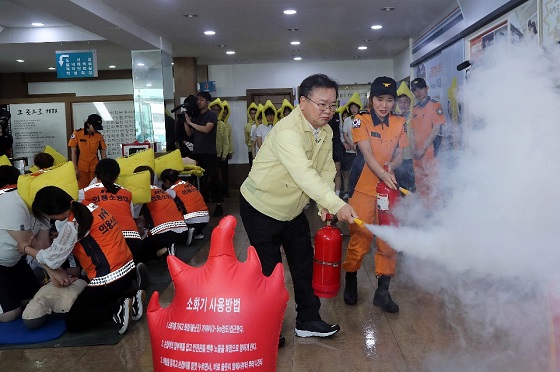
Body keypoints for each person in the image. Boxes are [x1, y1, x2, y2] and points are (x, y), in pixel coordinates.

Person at [240, 74, 358, 342]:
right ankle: (268, 327)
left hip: (292, 210)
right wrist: (337, 204)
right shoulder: (287, 131)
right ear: (303, 102)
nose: (328, 111)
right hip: (261, 207)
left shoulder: (325, 131)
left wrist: (325, 205)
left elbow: (326, 169)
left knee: (304, 264)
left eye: (332, 105)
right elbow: (304, 174)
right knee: (270, 272)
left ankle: (307, 319)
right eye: (322, 104)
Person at [25, 186, 143, 334]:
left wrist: (26, 249)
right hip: (128, 268)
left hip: (109, 279)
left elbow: (52, 260)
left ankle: (117, 308)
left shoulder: (73, 225)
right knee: (94, 299)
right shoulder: (91, 207)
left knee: (74, 321)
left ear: (52, 214)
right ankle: (131, 296)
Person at [342, 76, 408, 313]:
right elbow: (366, 152)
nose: (384, 105)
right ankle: (350, 280)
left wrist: (393, 164)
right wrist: (382, 172)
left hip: (388, 189)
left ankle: (383, 291)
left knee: (388, 240)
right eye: (379, 99)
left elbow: (401, 152)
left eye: (389, 100)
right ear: (371, 99)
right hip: (363, 187)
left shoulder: (400, 122)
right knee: (360, 237)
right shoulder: (360, 120)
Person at [0, 165, 49, 322]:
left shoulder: (39, 202)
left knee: (31, 302)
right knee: (10, 315)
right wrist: (55, 274)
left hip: (15, 261)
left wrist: (53, 272)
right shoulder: (9, 201)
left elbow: (42, 246)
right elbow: (28, 244)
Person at [133, 166, 188, 259]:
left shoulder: (141, 195)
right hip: (182, 231)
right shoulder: (163, 191)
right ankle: (168, 248)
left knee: (137, 254)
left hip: (163, 234)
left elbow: (134, 217)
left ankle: (164, 251)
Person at [184, 92, 223, 217]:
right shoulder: (196, 116)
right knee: (201, 180)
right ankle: (202, 205)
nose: (198, 102)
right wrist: (186, 121)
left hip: (209, 152)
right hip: (197, 152)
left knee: (214, 179)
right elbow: (189, 134)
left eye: (201, 100)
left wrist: (191, 123)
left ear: (207, 101)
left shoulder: (211, 114)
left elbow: (206, 129)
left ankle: (218, 205)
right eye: (198, 100)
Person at [410, 78, 446, 204]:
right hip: (417, 156)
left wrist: (422, 149)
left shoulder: (435, 105)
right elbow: (412, 131)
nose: (418, 92)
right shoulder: (414, 109)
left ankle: (437, 215)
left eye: (420, 88)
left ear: (427, 88)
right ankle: (425, 212)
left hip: (431, 153)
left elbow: (436, 129)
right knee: (421, 186)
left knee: (434, 185)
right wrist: (413, 149)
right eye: (414, 90)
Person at [160, 168, 209, 244]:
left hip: (190, 220)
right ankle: (197, 232)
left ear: (167, 181)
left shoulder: (170, 191)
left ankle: (187, 234)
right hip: (205, 219)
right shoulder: (188, 184)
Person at [68, 113, 108, 189]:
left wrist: (105, 168)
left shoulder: (98, 136)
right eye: (94, 126)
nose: (96, 129)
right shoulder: (77, 134)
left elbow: (103, 152)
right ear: (88, 124)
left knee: (95, 189)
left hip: (95, 168)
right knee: (82, 190)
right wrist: (75, 168)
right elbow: (73, 152)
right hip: (81, 169)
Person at [341, 94, 363, 200]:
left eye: (355, 107)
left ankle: (359, 193)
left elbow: (362, 134)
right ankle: (348, 192)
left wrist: (358, 145)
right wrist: (352, 145)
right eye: (351, 107)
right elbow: (345, 134)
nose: (353, 109)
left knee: (359, 173)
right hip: (350, 150)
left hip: (361, 150)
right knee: (347, 172)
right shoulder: (347, 120)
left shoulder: (362, 118)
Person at [393, 91, 416, 192]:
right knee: (398, 183)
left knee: (411, 182)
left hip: (410, 155)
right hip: (396, 156)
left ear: (410, 103)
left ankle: (411, 205)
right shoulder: (393, 118)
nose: (403, 104)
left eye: (405, 102)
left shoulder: (414, 117)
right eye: (400, 102)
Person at [220, 100, 234, 198]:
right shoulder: (216, 123)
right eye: (222, 112)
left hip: (225, 152)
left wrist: (229, 151)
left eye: (225, 113)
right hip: (216, 152)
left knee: (225, 173)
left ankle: (225, 191)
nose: (224, 114)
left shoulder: (228, 125)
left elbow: (229, 139)